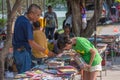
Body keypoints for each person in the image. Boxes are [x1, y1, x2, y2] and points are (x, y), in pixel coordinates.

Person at [12, 4, 54, 73]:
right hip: (24, 53)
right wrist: (46, 52)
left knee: (21, 74)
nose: (39, 17)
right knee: (25, 75)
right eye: (38, 15)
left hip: (17, 52)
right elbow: (31, 42)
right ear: (31, 14)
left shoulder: (20, 18)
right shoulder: (27, 23)